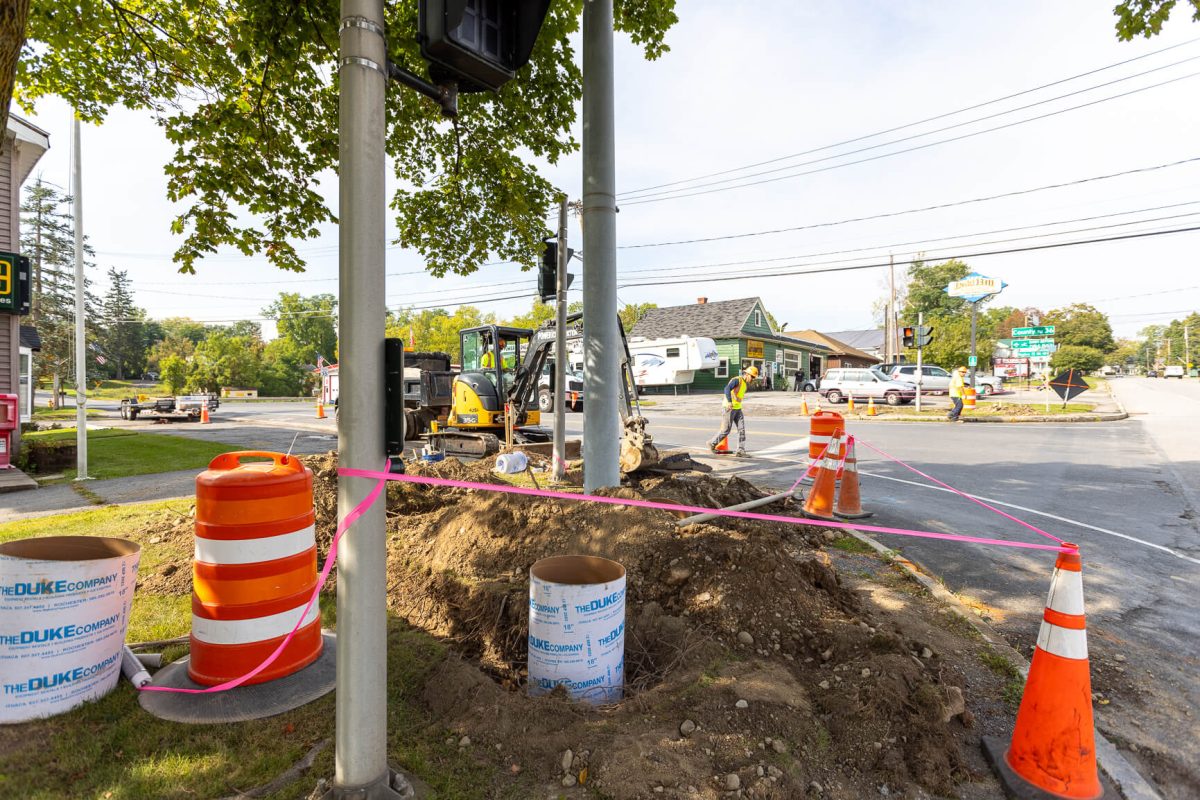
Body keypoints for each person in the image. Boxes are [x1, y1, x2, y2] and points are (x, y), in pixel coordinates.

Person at [709, 365, 759, 456]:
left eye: (754, 378)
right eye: (752, 377)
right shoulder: (737, 380)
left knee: (741, 429)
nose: (752, 379)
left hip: (738, 409)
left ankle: (740, 451)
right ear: (747, 374)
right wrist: (729, 402)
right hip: (729, 408)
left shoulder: (744, 384)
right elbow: (727, 388)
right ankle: (712, 443)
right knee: (726, 430)